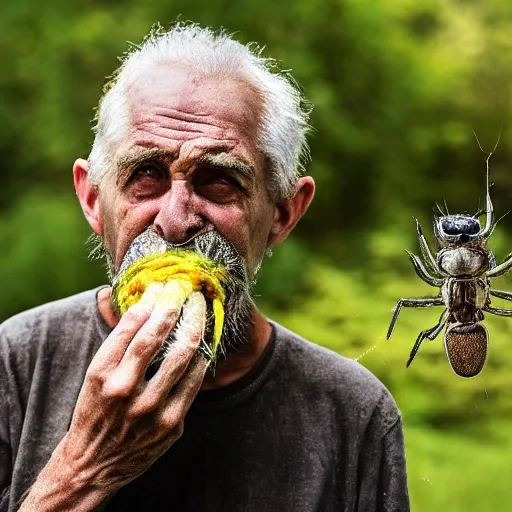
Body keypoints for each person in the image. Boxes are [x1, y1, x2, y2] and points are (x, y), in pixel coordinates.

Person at [0, 23, 409, 511]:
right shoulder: (14, 365)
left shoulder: (355, 414)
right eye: (146, 175)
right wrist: (85, 469)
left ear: (283, 213)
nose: (175, 223)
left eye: (219, 181)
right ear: (92, 199)